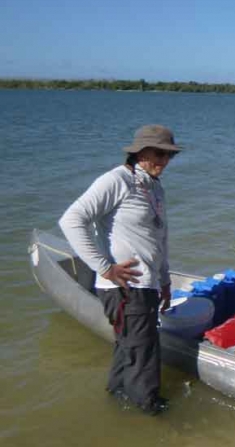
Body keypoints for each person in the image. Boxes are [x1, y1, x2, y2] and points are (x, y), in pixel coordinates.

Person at [58, 125, 182, 415]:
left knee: (129, 347)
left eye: (169, 156)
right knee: (144, 352)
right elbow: (71, 220)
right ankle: (149, 413)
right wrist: (105, 267)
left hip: (147, 286)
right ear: (139, 152)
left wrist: (164, 281)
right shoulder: (116, 180)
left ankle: (117, 398)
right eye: (159, 154)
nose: (164, 161)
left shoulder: (154, 186)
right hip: (126, 288)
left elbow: (158, 239)